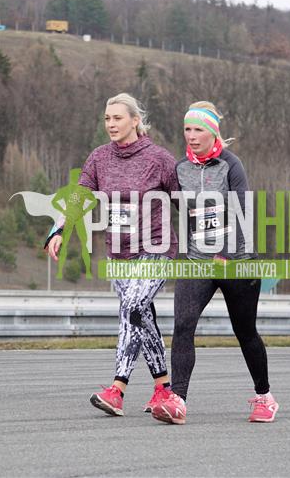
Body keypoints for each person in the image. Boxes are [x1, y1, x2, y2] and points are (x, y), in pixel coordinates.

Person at [45, 93, 178, 416]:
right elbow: (79, 197)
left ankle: (117, 389)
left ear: (135, 120)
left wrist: (215, 240)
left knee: (132, 308)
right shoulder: (99, 158)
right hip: (119, 254)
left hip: (156, 248)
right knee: (141, 316)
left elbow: (186, 202)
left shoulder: (159, 159)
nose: (111, 124)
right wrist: (59, 229)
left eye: (118, 118)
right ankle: (163, 388)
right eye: (107, 118)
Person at [151, 101, 279, 425]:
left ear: (212, 133)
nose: (191, 136)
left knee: (245, 331)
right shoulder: (180, 169)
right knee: (183, 325)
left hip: (238, 261)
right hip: (198, 260)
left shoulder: (231, 165)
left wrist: (225, 252)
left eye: (198, 130)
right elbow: (181, 211)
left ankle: (265, 396)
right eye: (187, 129)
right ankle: (178, 400)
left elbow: (243, 212)